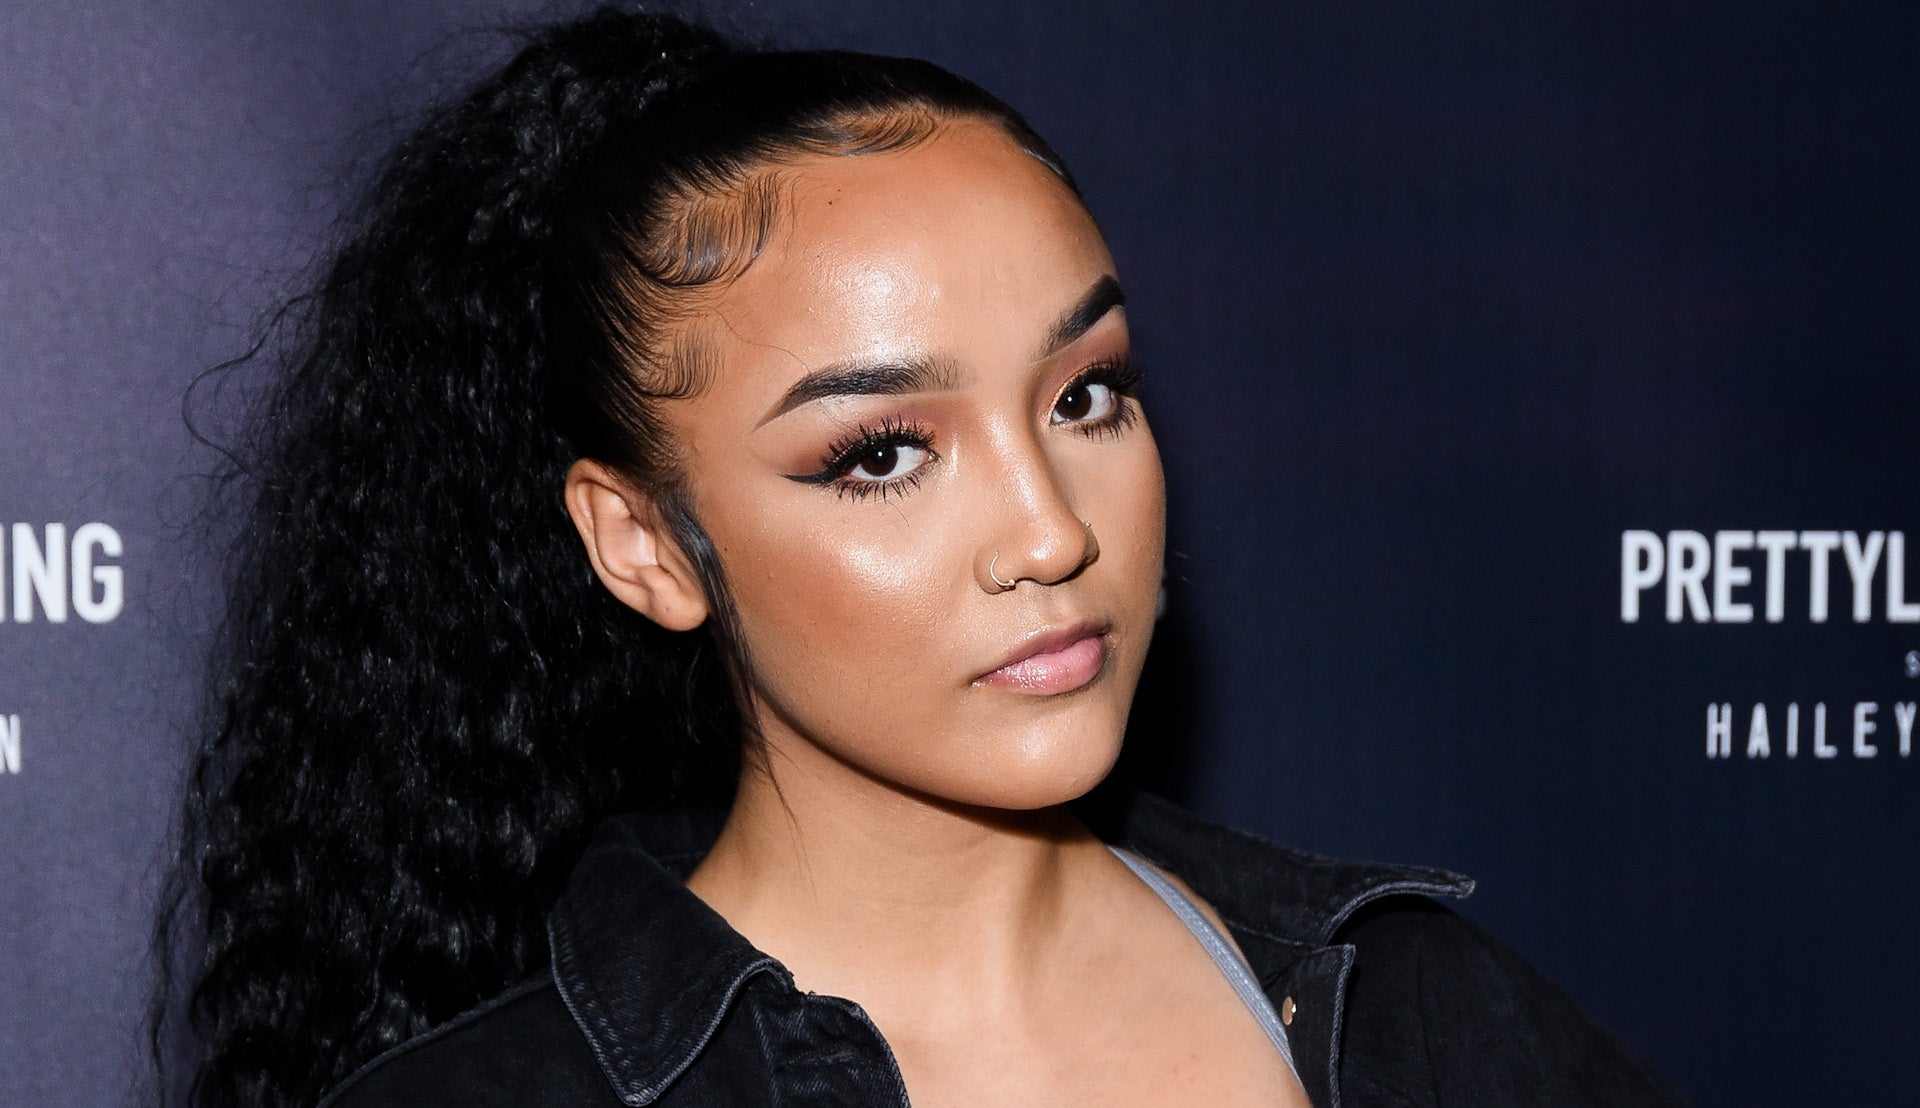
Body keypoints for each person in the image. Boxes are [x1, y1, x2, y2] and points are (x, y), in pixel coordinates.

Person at [156, 5, 1683, 1106]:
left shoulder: (1409, 1012)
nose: (1054, 532)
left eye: (1085, 396)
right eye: (883, 453)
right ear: (645, 545)